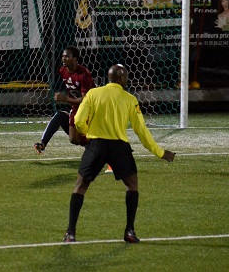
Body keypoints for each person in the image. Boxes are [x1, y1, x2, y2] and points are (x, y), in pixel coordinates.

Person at [63, 64, 175, 244]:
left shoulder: (93, 94)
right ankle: (129, 231)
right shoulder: (130, 99)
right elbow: (141, 131)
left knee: (80, 186)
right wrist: (160, 152)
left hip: (96, 145)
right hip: (119, 148)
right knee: (132, 185)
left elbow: (78, 120)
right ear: (122, 79)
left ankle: (70, 233)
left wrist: (87, 133)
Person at [34, 46, 113, 173]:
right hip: (76, 107)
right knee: (73, 139)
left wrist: (64, 99)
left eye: (67, 56)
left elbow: (85, 100)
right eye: (63, 56)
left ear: (75, 59)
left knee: (91, 135)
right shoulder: (62, 70)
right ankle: (42, 144)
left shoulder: (84, 75)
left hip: (90, 108)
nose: (64, 59)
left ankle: (110, 158)